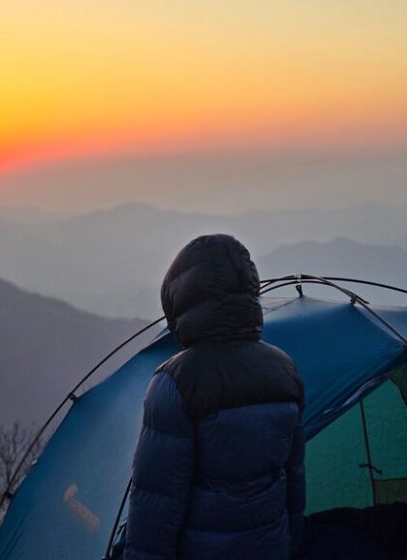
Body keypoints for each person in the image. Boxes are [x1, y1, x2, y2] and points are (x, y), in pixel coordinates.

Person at [123, 234, 305, 560]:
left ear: (180, 300)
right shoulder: (285, 369)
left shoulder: (176, 382)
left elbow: (157, 505)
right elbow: (293, 481)